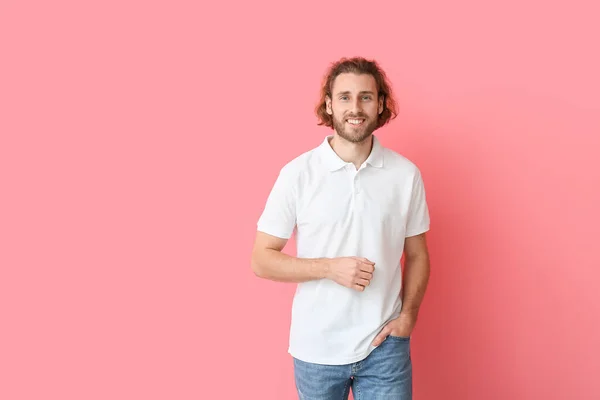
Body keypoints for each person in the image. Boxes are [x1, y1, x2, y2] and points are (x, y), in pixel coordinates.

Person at [251, 56, 431, 399]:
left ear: (380, 105)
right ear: (329, 105)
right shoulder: (298, 174)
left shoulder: (405, 175)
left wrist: (407, 318)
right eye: (345, 97)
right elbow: (261, 259)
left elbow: (418, 254)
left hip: (385, 348)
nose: (356, 107)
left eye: (366, 96)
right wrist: (330, 268)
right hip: (316, 349)